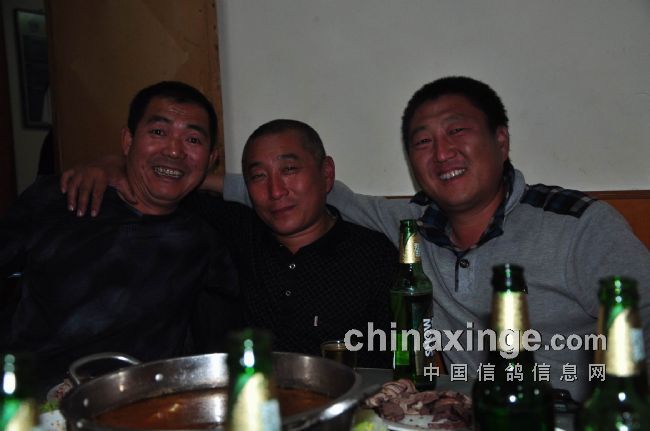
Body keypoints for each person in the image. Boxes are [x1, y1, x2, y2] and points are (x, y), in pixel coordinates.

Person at [218, 77, 650, 401]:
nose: (442, 153)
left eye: (456, 131)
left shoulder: (577, 226)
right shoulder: (412, 226)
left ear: (501, 140)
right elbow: (304, 195)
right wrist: (194, 177)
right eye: (423, 141)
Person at [61, 119, 398, 367]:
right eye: (258, 176)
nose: (275, 191)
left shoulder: (374, 256)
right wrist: (112, 164)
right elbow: (167, 187)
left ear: (326, 174)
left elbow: (398, 365)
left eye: (289, 169)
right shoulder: (237, 230)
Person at [0, 81, 237, 392]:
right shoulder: (60, 199)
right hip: (30, 398)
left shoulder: (205, 239)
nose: (174, 150)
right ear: (128, 140)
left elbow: (217, 349)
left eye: (192, 139)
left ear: (211, 158)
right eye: (158, 132)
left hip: (135, 402)